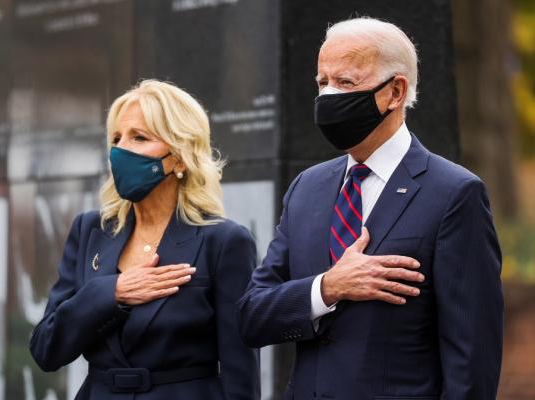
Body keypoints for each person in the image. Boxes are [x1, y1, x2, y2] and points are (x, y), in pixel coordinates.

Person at [238, 17, 503, 400]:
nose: (328, 95)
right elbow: (251, 316)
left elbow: (472, 355)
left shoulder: (454, 193)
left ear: (395, 92)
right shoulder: (307, 189)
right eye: (322, 82)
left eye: (345, 82)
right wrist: (328, 287)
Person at [30, 80, 260, 400]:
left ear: (179, 157)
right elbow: (46, 349)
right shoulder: (90, 230)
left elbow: (240, 373)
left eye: (139, 137)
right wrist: (112, 291)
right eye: (116, 138)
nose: (121, 149)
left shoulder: (223, 241)